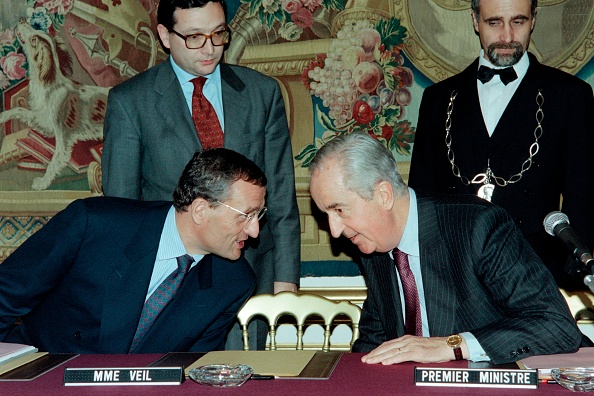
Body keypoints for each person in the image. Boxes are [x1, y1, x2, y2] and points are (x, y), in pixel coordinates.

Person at [101, 0, 300, 348]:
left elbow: (281, 194)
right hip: (171, 280)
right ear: (165, 35)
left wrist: (285, 280)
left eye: (218, 33)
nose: (210, 48)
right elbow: (121, 209)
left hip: (250, 274)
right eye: (194, 37)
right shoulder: (131, 101)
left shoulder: (261, 93)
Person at [309, 132, 589, 365]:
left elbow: (556, 326)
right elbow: (375, 339)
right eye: (326, 214)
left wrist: (451, 345)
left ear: (383, 195)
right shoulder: (372, 245)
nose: (334, 230)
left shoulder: (477, 226)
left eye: (339, 210)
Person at [0, 148, 266, 354]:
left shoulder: (233, 281)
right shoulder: (94, 224)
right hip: (44, 374)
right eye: (246, 215)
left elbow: (192, 368)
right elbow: (5, 296)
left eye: (259, 215)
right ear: (200, 210)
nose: (255, 231)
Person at [408, 0, 594, 290]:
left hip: (536, 283)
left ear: (534, 19)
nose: (507, 37)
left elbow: (581, 201)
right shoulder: (437, 100)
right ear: (474, 20)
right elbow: (422, 205)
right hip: (455, 284)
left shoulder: (570, 96)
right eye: (494, 22)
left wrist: (564, 285)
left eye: (518, 22)